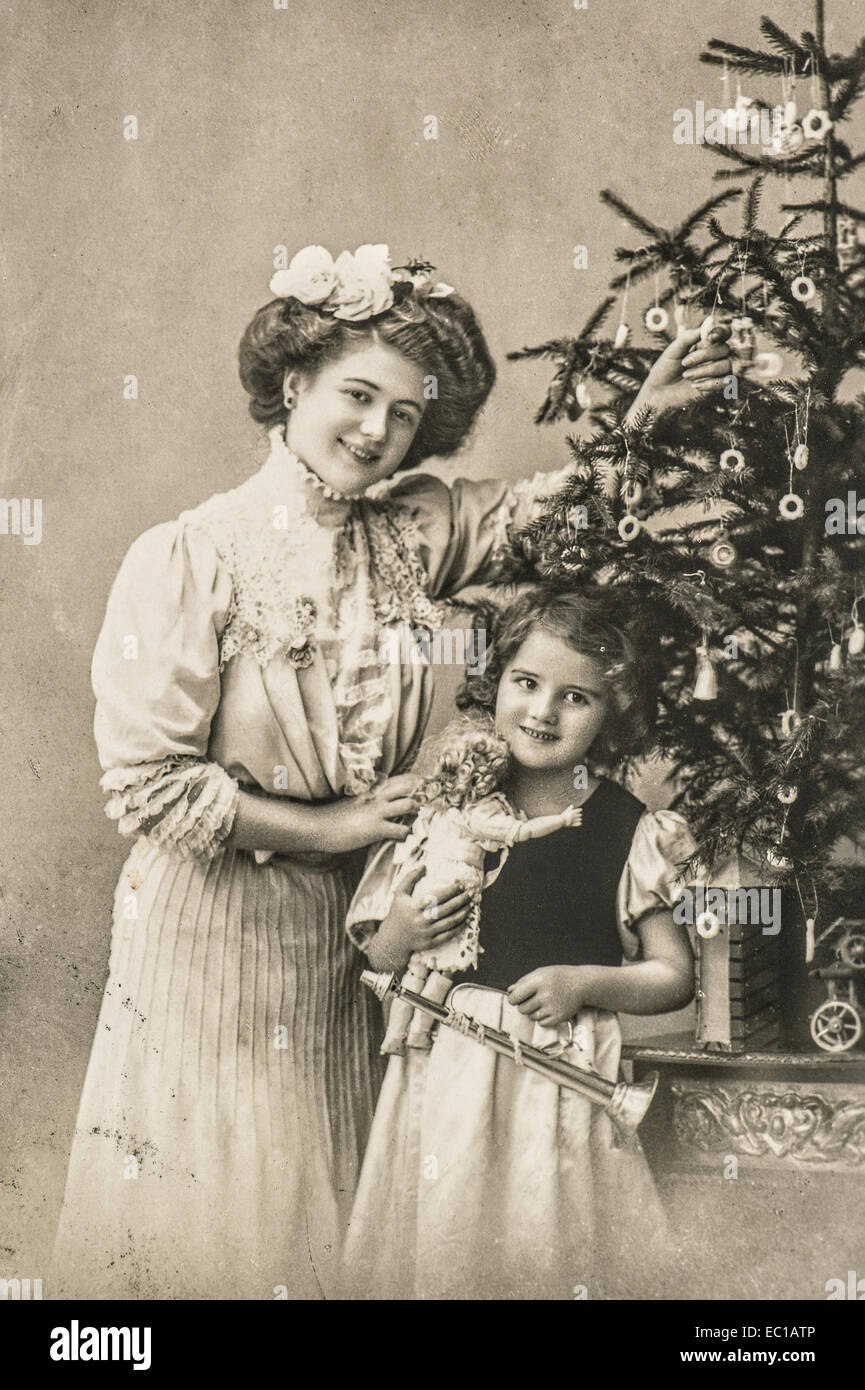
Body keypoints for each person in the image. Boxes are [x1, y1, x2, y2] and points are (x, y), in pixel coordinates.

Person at [50, 244, 728, 1300]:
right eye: (356, 395)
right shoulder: (189, 555)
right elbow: (149, 784)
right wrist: (345, 825)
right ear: (293, 384)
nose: (376, 430)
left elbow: (559, 515)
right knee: (226, 1189)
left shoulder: (412, 532)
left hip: (362, 927)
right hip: (218, 920)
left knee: (353, 1201)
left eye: (405, 414)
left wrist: (644, 415)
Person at [342, 587, 696, 1300]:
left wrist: (583, 983)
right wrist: (404, 930)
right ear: (494, 682)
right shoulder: (449, 802)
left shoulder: (628, 827)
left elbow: (671, 976)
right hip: (450, 1071)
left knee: (547, 1237)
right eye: (526, 684)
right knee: (451, 1241)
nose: (541, 711)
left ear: (612, 715)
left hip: (557, 1074)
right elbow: (376, 964)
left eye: (575, 698)